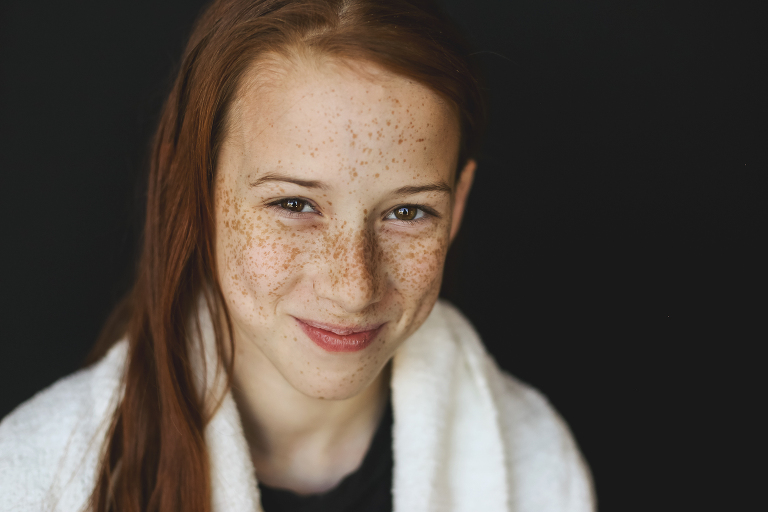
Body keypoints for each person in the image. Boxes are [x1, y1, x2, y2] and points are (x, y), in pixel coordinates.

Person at [0, 0, 595, 510]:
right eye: (294, 204)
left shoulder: (536, 464)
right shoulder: (35, 479)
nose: (352, 287)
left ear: (457, 207)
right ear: (200, 193)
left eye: (407, 213)